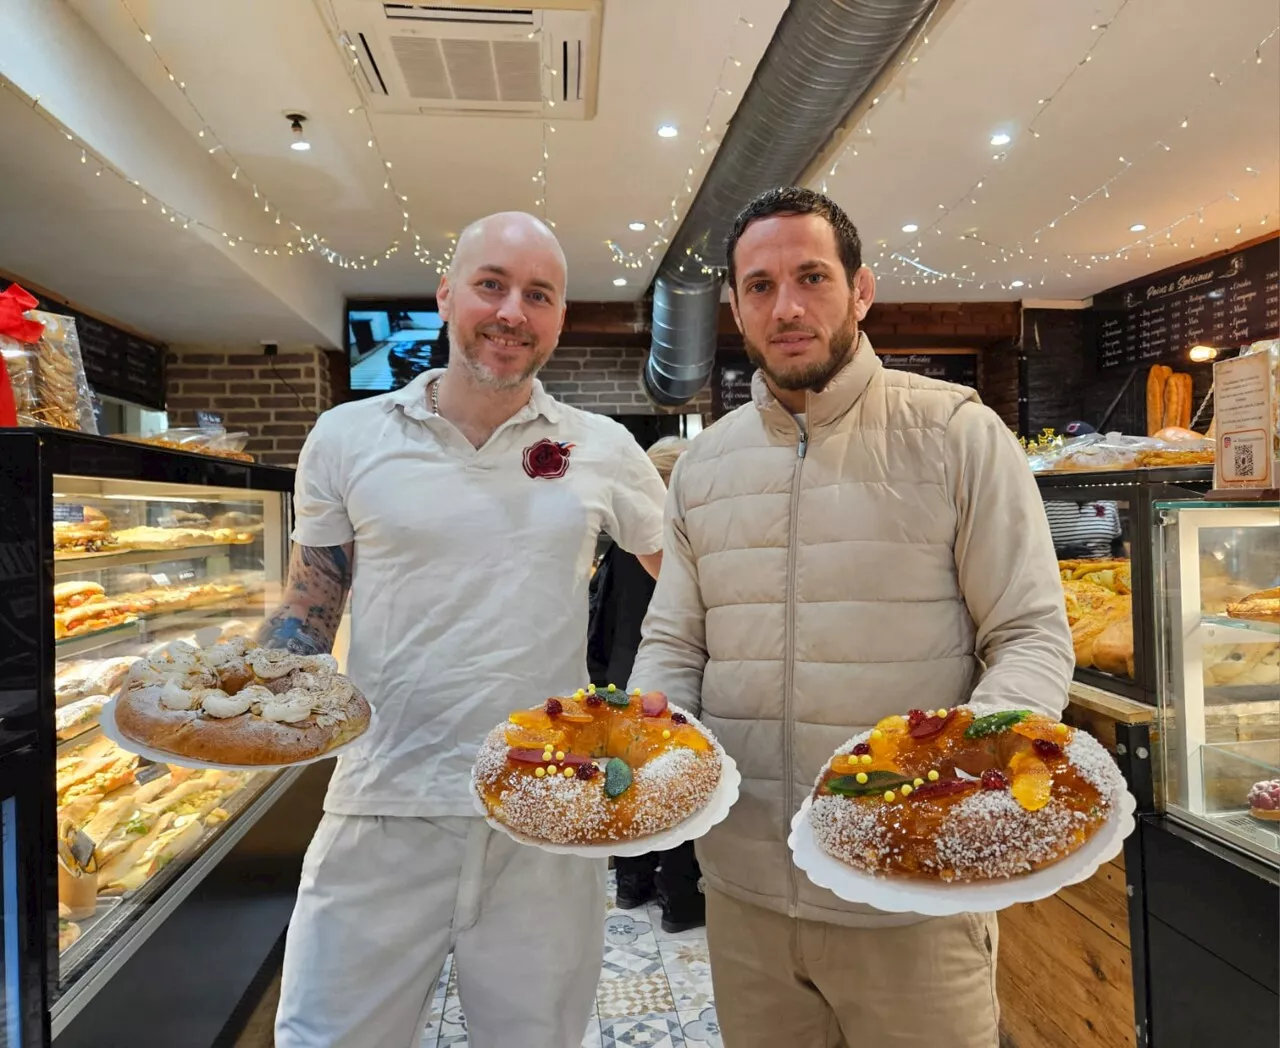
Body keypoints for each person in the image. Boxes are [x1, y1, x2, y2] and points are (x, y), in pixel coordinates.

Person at [628, 187, 1074, 1048]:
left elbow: (1029, 633)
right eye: (759, 286)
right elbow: (675, 642)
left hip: (912, 892)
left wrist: (968, 755)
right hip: (746, 894)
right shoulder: (703, 465)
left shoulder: (953, 434)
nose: (786, 306)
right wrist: (653, 732)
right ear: (734, 306)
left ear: (861, 290)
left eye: (811, 277)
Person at [268, 211, 668, 1048]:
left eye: (539, 295)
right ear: (448, 295)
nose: (512, 312)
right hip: (382, 801)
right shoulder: (348, 435)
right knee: (324, 1037)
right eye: (491, 285)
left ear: (561, 316)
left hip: (544, 811)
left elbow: (689, 594)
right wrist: (222, 697)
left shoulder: (602, 448)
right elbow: (309, 614)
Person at [587, 436, 704, 932]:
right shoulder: (690, 550)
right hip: (672, 686)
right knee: (676, 794)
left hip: (621, 682)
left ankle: (633, 885)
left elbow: (598, 619)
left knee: (629, 789)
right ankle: (680, 901)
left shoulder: (618, 551)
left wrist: (601, 681)